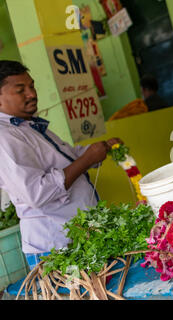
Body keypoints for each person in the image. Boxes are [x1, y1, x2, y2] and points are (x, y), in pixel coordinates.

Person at [0, 60, 122, 270]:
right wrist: (87, 159)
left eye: (32, 86)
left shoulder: (29, 125)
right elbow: (37, 193)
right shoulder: (5, 137)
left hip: (78, 238)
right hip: (55, 247)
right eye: (21, 90)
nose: (31, 94)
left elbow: (65, 157)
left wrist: (96, 151)